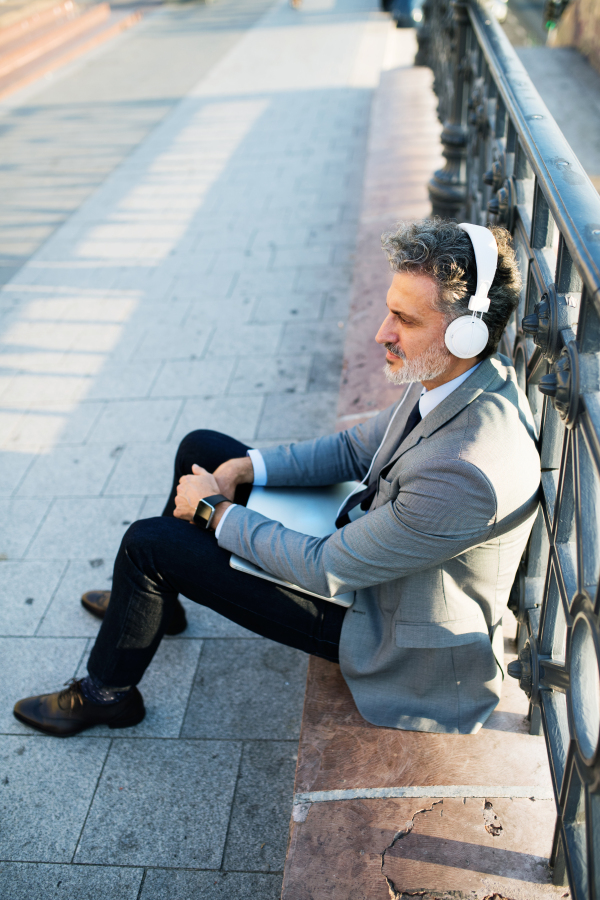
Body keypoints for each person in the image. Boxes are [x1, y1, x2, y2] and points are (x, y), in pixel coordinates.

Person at [13, 218, 540, 737]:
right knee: (202, 448)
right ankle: (151, 605)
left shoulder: (465, 469)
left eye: (403, 318)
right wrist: (247, 467)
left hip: (387, 634)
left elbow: (327, 568)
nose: (382, 332)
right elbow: (354, 448)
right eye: (389, 310)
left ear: (466, 333)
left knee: (149, 544)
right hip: (372, 562)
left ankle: (108, 696)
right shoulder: (457, 375)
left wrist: (213, 511)